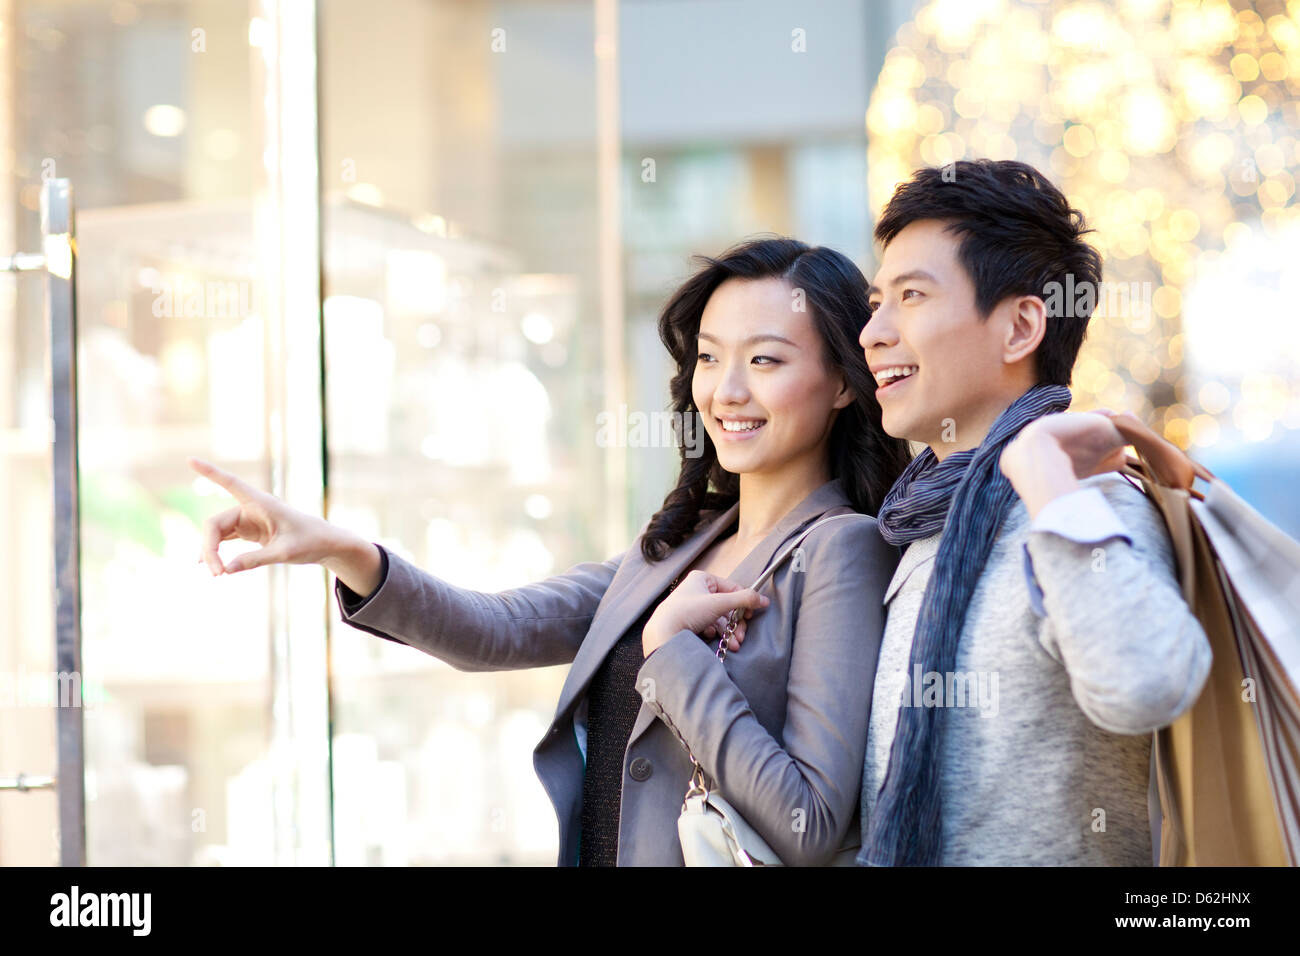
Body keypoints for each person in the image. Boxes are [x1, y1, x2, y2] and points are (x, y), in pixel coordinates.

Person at [191, 236, 912, 866]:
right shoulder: (681, 546)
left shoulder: (840, 549)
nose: (726, 391)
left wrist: (672, 651)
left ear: (845, 382)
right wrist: (342, 549)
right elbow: (493, 630)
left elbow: (810, 822)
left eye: (765, 360)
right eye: (709, 358)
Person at [855, 158, 1212, 866]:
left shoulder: (1089, 506)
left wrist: (1040, 469)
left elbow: (1150, 683)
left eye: (912, 296)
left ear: (1020, 328)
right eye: (876, 303)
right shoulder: (920, 528)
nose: (873, 333)